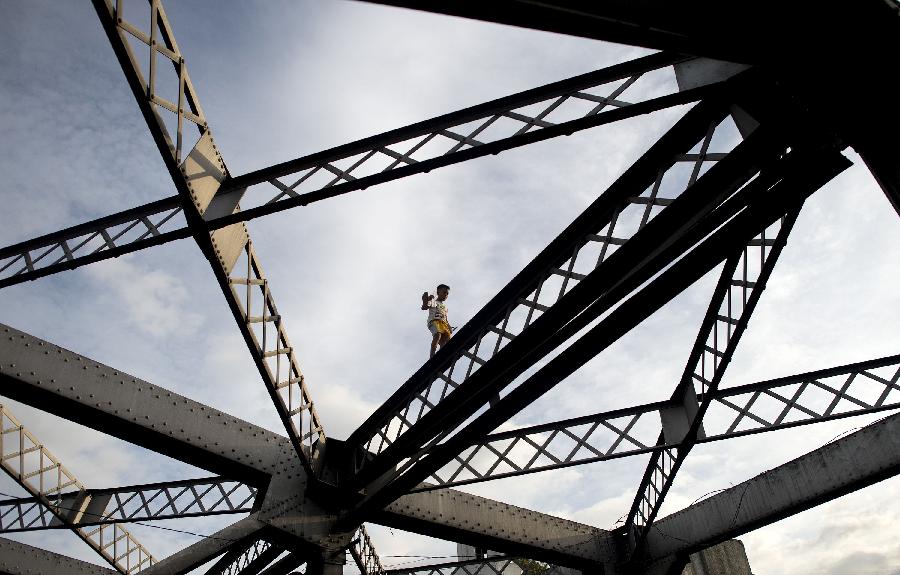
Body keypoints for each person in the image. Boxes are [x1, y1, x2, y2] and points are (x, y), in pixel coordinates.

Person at [422, 284, 451, 357]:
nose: (446, 295)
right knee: (437, 335)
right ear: (438, 293)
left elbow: (445, 318)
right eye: (444, 292)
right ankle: (432, 355)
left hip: (443, 323)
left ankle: (441, 355)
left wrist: (449, 326)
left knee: (446, 337)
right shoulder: (434, 302)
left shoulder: (445, 307)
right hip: (434, 321)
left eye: (447, 294)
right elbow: (424, 307)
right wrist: (426, 299)